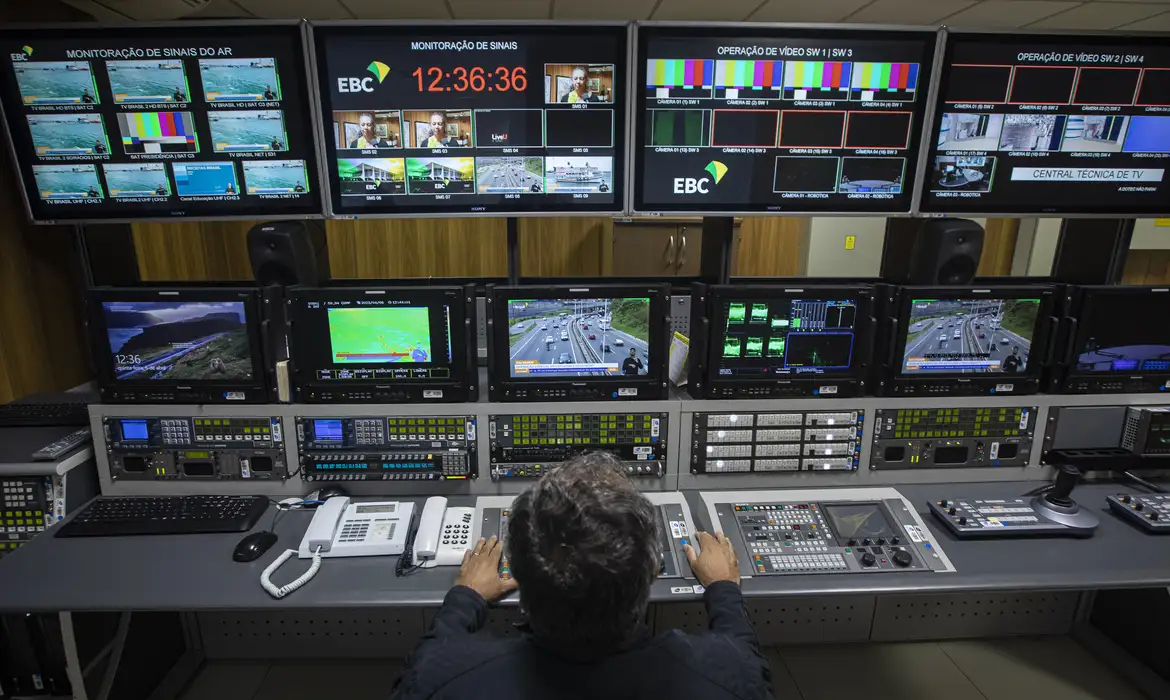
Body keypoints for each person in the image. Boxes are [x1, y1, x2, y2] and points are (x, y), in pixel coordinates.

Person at [391, 453, 774, 700]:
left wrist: (466, 596)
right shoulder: (727, 677)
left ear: (520, 575)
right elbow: (743, 653)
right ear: (651, 572)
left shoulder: (442, 678)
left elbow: (429, 660)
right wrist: (724, 589)